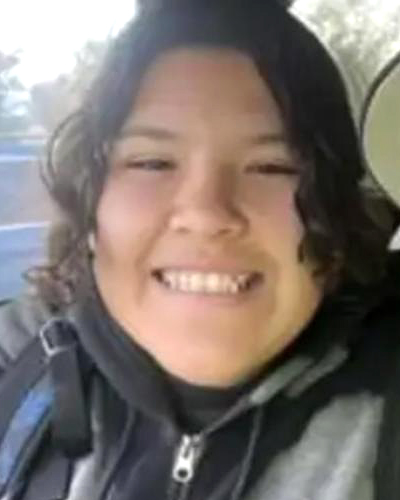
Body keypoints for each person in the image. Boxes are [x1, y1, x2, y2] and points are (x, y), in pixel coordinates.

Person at [0, 1, 400, 499]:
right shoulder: (20, 360)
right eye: (152, 162)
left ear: (337, 219)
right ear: (90, 204)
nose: (207, 213)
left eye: (272, 167)